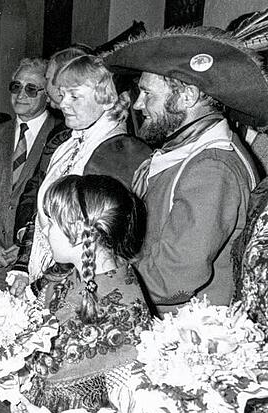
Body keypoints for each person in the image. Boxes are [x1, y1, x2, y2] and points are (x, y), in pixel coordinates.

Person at [106, 27, 261, 314]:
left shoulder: (213, 168)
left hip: (181, 336)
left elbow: (172, 277)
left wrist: (99, 289)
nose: (138, 104)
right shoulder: (184, 153)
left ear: (187, 96)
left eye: (148, 93)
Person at [0, 174, 154, 413]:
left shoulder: (124, 309)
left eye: (52, 222)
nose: (44, 231)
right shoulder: (71, 279)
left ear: (78, 230)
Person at [27, 55, 150, 282]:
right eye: (63, 94)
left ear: (106, 98)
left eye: (75, 96)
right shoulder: (67, 145)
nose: (63, 103)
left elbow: (102, 241)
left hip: (85, 281)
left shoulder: (121, 152)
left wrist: (43, 285)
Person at [0, 57, 65, 291]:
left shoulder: (61, 136)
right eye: (16, 87)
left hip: (39, 265)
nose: (21, 94)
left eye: (31, 89)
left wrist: (26, 248)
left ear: (48, 94)